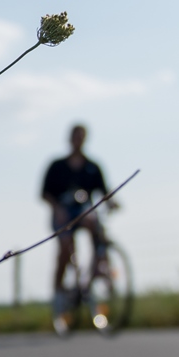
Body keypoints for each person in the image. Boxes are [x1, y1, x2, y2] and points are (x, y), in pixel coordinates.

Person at [40, 124, 118, 334]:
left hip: (84, 213)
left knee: (95, 224)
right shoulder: (57, 166)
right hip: (63, 213)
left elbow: (104, 191)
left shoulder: (92, 166)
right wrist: (57, 208)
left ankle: (99, 266)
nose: (78, 140)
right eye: (75, 137)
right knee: (65, 248)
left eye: (81, 137)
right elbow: (44, 193)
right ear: (70, 139)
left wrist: (112, 202)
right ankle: (59, 294)